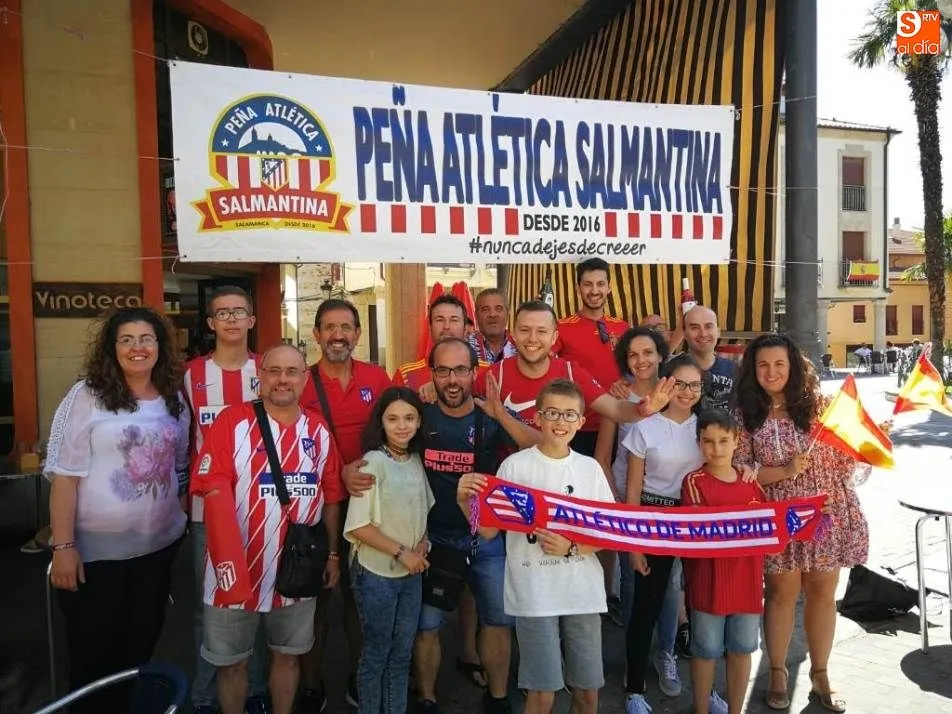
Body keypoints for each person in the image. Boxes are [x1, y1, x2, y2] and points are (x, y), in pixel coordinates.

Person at [344, 338, 540, 713]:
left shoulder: (488, 418)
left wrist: (501, 413)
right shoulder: (420, 418)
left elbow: (538, 447)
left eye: (461, 370)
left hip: (483, 538)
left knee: (497, 620)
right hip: (431, 541)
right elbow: (386, 452)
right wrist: (350, 469)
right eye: (444, 370)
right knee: (425, 626)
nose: (453, 379)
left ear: (474, 373)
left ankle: (498, 698)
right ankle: (428, 698)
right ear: (431, 374)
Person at [45, 306, 189, 714]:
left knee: (136, 655)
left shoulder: (173, 399)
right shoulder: (87, 396)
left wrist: (174, 518)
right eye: (126, 339)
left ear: (160, 347)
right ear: (112, 347)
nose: (137, 347)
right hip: (95, 558)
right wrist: (63, 546)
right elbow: (65, 477)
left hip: (155, 556)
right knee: (93, 661)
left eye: (146, 339)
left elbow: (179, 466)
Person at [191, 345, 345, 714]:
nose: (282, 379)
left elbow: (332, 497)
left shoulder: (318, 429)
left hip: (295, 569)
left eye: (292, 372)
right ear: (259, 378)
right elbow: (208, 485)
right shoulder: (231, 422)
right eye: (273, 371)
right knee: (232, 663)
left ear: (304, 379)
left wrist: (333, 554)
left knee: (288, 657)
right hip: (234, 568)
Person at [457, 379, 612, 714]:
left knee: (587, 693)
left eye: (570, 414)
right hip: (534, 595)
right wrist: (464, 502)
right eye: (553, 412)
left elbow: (607, 535)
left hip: (581, 594)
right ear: (538, 418)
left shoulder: (590, 469)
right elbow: (485, 531)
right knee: (541, 694)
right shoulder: (516, 467)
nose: (561, 421)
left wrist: (571, 547)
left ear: (582, 422)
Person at [734, 333, 869, 712]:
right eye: (763, 365)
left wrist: (868, 444)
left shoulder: (823, 406)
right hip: (779, 517)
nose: (771, 372)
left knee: (823, 594)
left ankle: (821, 673)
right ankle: (777, 671)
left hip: (826, 513)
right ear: (752, 370)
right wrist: (786, 470)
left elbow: (845, 459)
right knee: (779, 594)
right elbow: (742, 472)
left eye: (779, 363)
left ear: (793, 366)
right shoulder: (745, 414)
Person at [298, 299, 393, 711]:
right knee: (313, 600)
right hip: (314, 510)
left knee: (361, 599)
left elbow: (397, 433)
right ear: (316, 334)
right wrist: (338, 476)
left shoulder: (378, 377)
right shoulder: (298, 381)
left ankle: (361, 676)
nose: (338, 335)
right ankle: (311, 685)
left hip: (367, 508)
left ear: (357, 334)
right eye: (330, 327)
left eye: (346, 327)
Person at [623, 354, 729, 714]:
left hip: (696, 521)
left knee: (702, 608)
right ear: (664, 383)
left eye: (694, 385)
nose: (686, 392)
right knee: (646, 606)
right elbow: (633, 491)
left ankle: (707, 690)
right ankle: (634, 689)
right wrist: (635, 544)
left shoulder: (706, 429)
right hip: (654, 521)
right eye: (679, 384)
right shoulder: (645, 428)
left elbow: (725, 466)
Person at [182, 285, 269, 714]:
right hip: (208, 513)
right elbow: (185, 442)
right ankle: (203, 698)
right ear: (211, 323)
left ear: (252, 320)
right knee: (210, 607)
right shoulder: (190, 375)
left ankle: (253, 692)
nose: (232, 319)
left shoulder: (269, 369)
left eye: (240, 311)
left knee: (260, 600)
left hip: (264, 510)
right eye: (223, 313)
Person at [594, 327, 686, 656]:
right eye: (633, 354)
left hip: (671, 504)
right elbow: (603, 457)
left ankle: (667, 653)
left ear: (662, 354)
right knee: (632, 581)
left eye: (648, 352)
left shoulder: (679, 392)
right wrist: (615, 502)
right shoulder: (618, 396)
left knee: (671, 581)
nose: (641, 360)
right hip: (627, 503)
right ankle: (636, 659)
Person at [344, 386, 433, 714]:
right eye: (393, 418)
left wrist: (422, 544)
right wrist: (401, 552)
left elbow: (423, 509)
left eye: (409, 418)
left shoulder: (414, 460)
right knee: (376, 654)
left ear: (419, 422)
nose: (402, 425)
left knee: (401, 655)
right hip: (377, 574)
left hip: (411, 574)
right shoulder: (373, 463)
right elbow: (359, 526)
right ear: (380, 423)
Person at [476, 301, 676, 432]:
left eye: (542, 331)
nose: (533, 339)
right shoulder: (494, 376)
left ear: (554, 337)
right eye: (525, 330)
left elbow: (614, 408)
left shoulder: (570, 372)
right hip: (509, 482)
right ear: (513, 335)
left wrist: (644, 409)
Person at [681, 410, 766, 714]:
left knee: (742, 650)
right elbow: (699, 529)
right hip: (709, 581)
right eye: (708, 441)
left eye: (723, 441)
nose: (716, 448)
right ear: (699, 443)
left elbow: (770, 525)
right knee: (705, 651)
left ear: (736, 442)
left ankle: (734, 710)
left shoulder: (751, 482)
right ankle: (701, 709)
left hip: (747, 581)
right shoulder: (694, 482)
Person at [552, 258, 629, 457]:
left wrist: (625, 382)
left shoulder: (623, 327)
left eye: (600, 284)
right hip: (577, 426)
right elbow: (546, 366)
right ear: (578, 288)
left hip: (618, 423)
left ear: (609, 288)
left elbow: (637, 370)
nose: (594, 290)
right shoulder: (561, 327)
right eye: (588, 284)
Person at [394, 294, 486, 391]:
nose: (446, 326)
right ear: (430, 326)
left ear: (465, 327)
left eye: (454, 320)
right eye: (440, 320)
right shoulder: (405, 375)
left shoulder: (487, 371)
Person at [682, 305, 737, 411]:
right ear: (684, 333)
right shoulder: (674, 370)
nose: (703, 334)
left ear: (718, 331)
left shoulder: (735, 370)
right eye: (694, 328)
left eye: (708, 326)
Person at [472, 288, 517, 364]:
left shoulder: (521, 348)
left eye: (499, 309)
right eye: (485, 309)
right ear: (476, 315)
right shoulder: (463, 348)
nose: (492, 314)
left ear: (507, 314)